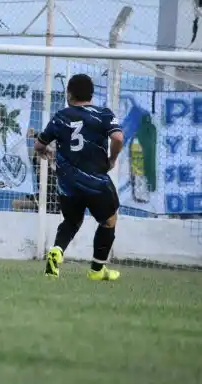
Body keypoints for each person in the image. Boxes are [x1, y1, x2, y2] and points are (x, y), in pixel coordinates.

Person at [34, 73, 124, 281]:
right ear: (91, 94)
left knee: (71, 221)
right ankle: (97, 270)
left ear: (69, 94)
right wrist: (113, 157)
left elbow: (39, 145)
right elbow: (118, 137)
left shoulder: (60, 117)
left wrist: (45, 152)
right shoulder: (103, 114)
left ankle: (56, 251)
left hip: (68, 183)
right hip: (96, 182)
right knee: (109, 220)